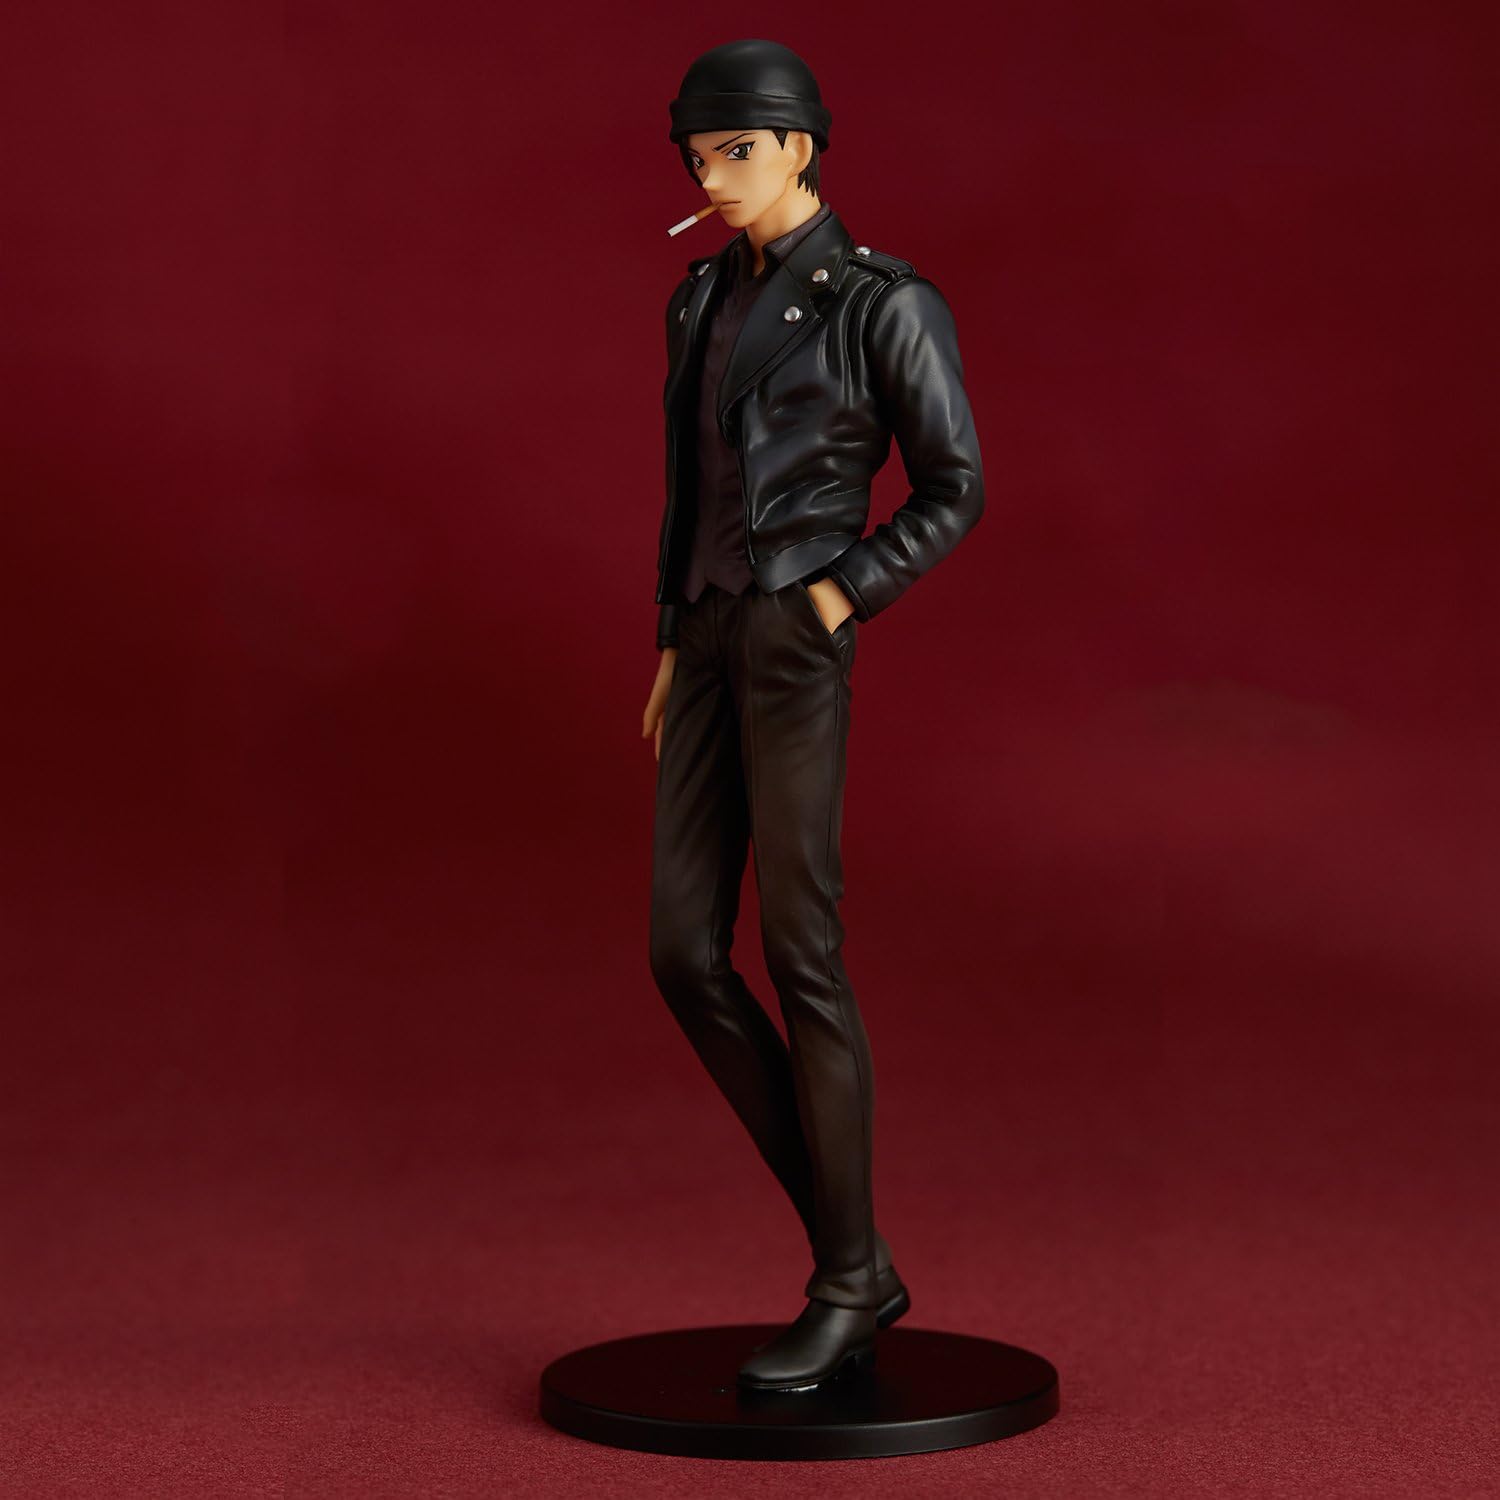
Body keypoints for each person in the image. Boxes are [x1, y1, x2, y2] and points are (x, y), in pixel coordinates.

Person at [640, 38, 986, 1391]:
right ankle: (858, 1250)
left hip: (795, 633)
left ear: (798, 145)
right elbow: (688, 484)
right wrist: (670, 635)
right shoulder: (697, 298)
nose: (711, 177)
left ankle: (846, 1279)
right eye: (696, 156)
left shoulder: (882, 302)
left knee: (802, 953)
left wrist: (844, 595)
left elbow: (955, 484)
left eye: (733, 149)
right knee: (683, 952)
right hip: (708, 634)